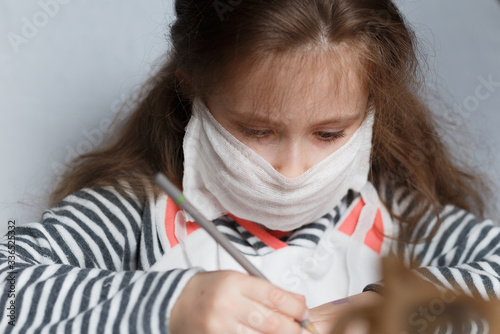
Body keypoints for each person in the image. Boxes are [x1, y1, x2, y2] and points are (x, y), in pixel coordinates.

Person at [1, 0, 499, 333]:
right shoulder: (134, 213)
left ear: (373, 114)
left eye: (329, 134)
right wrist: (174, 305)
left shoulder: (400, 217)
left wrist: (395, 311)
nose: (291, 169)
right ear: (192, 91)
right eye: (257, 131)